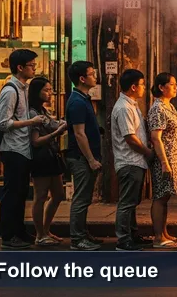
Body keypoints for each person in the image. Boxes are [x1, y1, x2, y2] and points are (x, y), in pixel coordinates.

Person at [0, 49, 47, 250]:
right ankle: (8, 236)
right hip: (13, 149)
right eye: (31, 65)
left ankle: (19, 232)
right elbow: (2, 123)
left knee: (20, 194)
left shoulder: (24, 88)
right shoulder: (11, 91)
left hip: (23, 148)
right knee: (12, 195)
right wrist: (31, 121)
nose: (34, 67)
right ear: (20, 67)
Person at [111, 69, 154, 251]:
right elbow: (130, 137)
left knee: (133, 202)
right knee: (127, 202)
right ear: (133, 87)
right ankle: (123, 239)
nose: (144, 88)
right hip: (130, 161)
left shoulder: (132, 104)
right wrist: (148, 152)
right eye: (142, 84)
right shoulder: (123, 108)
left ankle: (132, 234)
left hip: (136, 161)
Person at [148, 72, 177, 249]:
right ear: (161, 87)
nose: (175, 87)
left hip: (175, 157)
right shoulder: (157, 108)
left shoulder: (169, 106)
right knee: (160, 196)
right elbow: (156, 138)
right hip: (165, 159)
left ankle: (164, 233)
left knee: (165, 197)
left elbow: (172, 128)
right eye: (172, 84)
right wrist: (164, 163)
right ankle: (158, 237)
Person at [65, 61, 103, 251]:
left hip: (87, 157)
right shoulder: (77, 101)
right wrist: (91, 159)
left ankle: (82, 233)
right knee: (80, 199)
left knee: (85, 198)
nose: (95, 76)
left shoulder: (84, 98)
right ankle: (77, 239)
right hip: (81, 159)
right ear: (82, 79)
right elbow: (79, 134)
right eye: (91, 74)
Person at [28, 77, 68, 246]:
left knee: (58, 194)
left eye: (50, 90)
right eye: (46, 90)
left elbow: (52, 124)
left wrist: (61, 125)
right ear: (37, 92)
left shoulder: (42, 111)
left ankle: (46, 230)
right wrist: (56, 134)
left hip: (52, 156)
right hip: (40, 158)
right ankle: (39, 234)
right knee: (41, 196)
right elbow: (35, 141)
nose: (50, 93)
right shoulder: (32, 113)